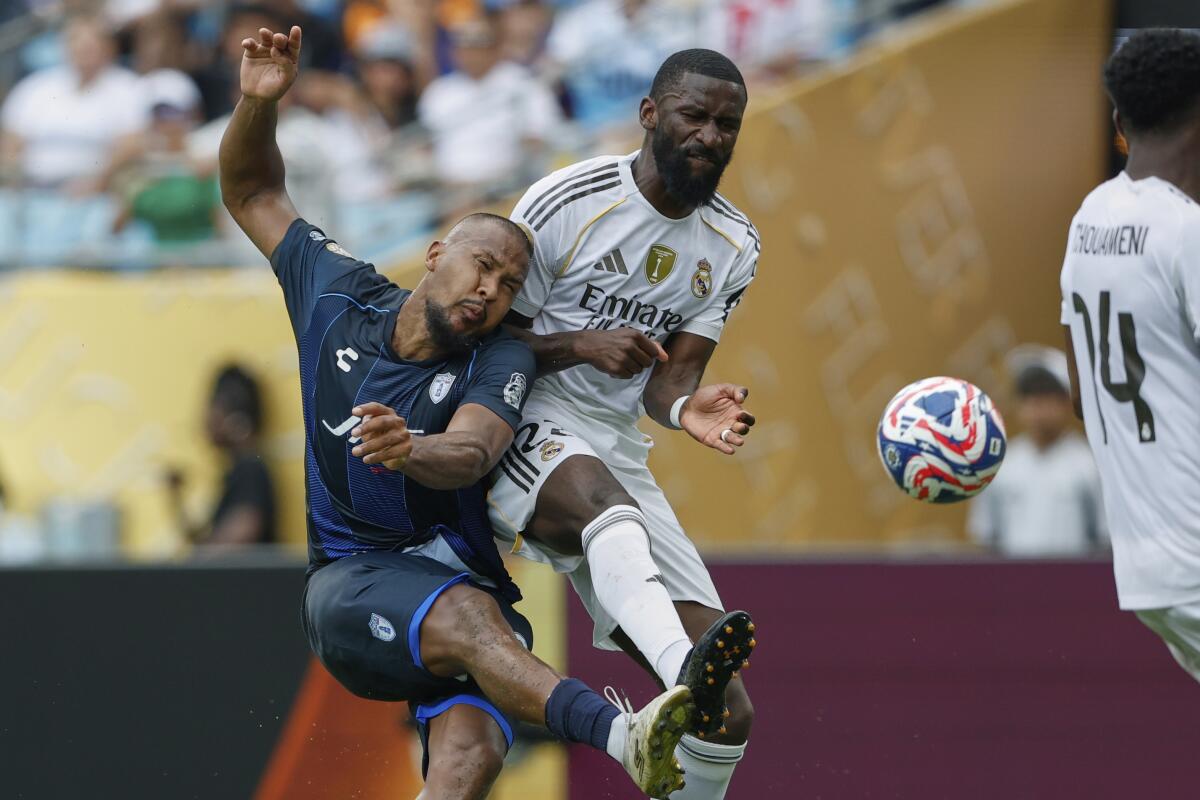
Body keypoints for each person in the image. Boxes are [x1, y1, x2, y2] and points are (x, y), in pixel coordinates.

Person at [218, 23, 700, 797]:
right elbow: (252, 193)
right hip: (351, 583)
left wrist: (410, 448)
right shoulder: (335, 295)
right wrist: (257, 104)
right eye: (483, 267)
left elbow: (472, 452)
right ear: (437, 253)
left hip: (469, 598)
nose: (490, 292)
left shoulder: (498, 358)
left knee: (468, 763)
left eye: (509, 287)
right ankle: (624, 737)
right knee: (474, 617)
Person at [490, 49, 760, 799]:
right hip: (518, 411)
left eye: (727, 125)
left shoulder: (735, 245)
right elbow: (484, 341)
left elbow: (671, 379)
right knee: (611, 514)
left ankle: (688, 684)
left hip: (612, 443)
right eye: (694, 116)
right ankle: (679, 669)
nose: (710, 136)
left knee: (727, 712)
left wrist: (684, 408)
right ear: (649, 113)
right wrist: (580, 344)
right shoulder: (566, 201)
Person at [1060, 28, 1200, 684]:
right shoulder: (1187, 231)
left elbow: (1083, 396)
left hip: (1148, 564)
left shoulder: (1091, 216)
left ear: (1118, 121)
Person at [966, 346, 1106, 557]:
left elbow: (1104, 541)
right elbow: (985, 539)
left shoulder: (1090, 464)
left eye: (1046, 395)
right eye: (1028, 395)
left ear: (1066, 402)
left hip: (1075, 577)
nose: (1037, 406)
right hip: (1011, 578)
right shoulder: (999, 464)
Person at [167, 364, 277, 549]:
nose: (205, 420)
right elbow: (206, 544)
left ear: (236, 420)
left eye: (214, 409)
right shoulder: (238, 471)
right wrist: (177, 498)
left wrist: (202, 557)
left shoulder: (250, 470)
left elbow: (243, 532)